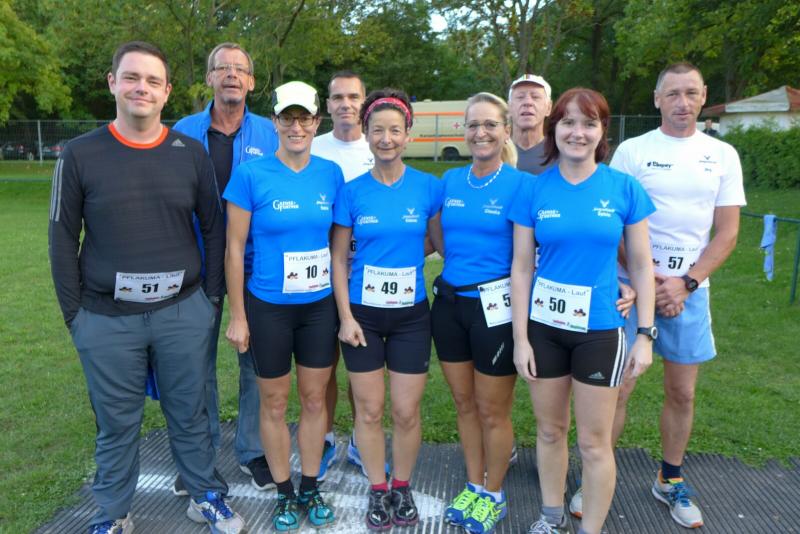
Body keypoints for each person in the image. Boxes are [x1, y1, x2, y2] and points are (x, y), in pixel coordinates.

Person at [48, 41, 245, 534]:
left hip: (183, 312)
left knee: (191, 412)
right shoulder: (80, 154)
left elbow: (214, 229)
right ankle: (113, 512)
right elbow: (61, 238)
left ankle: (205, 495)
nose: (142, 88)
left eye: (153, 81)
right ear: (112, 83)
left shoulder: (190, 153)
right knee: (116, 422)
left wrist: (210, 302)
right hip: (106, 318)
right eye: (132, 77)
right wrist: (76, 317)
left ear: (167, 91)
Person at [569, 63, 745, 529]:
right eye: (672, 94)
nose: (682, 103)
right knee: (617, 389)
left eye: (690, 93)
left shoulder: (722, 154)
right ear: (657, 99)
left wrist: (685, 283)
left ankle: (670, 479)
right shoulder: (633, 151)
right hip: (630, 289)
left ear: (703, 96)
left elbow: (727, 233)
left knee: (681, 392)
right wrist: (644, 279)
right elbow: (611, 219)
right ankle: (595, 478)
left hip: (689, 291)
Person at [509, 88, 656, 534]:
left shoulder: (623, 188)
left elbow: (642, 265)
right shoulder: (534, 189)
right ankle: (550, 517)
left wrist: (645, 335)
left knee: (594, 443)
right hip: (545, 331)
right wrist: (520, 339)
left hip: (600, 332)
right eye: (568, 122)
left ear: (601, 131)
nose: (578, 132)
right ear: (554, 129)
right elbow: (521, 267)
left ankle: (590, 528)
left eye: (589, 123)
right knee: (550, 431)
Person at [223, 80, 341, 531]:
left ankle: (310, 485)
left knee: (313, 399)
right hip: (268, 306)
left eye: (304, 118)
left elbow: (339, 246)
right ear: (274, 122)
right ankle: (284, 492)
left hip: (318, 308)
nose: (296, 127)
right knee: (273, 403)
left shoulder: (330, 174)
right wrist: (238, 316)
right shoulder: (250, 175)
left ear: (317, 122)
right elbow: (235, 249)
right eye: (287, 118)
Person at [330, 88, 442, 531]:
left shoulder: (428, 187)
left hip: (411, 317)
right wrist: (345, 317)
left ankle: (402, 484)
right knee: (370, 410)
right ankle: (378, 488)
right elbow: (338, 257)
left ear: (407, 135)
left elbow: (442, 244)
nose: (386, 139)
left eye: (395, 130)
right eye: (378, 130)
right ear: (367, 134)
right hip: (363, 316)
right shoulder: (352, 192)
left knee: (406, 412)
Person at [173, 41, 279, 493]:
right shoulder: (182, 132)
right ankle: (200, 458)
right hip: (194, 267)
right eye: (223, 67)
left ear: (251, 82)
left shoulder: (271, 134)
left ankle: (253, 451)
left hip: (256, 268)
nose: (232, 74)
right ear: (210, 78)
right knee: (196, 367)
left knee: (255, 364)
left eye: (240, 68)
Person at [427, 92, 523, 533]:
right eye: (473, 125)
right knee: (464, 404)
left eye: (489, 124)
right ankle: (473, 484)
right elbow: (436, 235)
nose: (480, 133)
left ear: (506, 130)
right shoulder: (449, 180)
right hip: (450, 306)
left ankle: (494, 492)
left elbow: (542, 248)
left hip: (495, 310)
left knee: (492, 410)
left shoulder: (521, 185)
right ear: (462, 130)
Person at [310, 70, 375, 480]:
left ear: (364, 102)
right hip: (320, 274)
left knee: (362, 367)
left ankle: (361, 441)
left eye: (353, 96)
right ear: (328, 105)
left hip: (366, 276)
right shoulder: (313, 147)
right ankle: (325, 438)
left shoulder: (379, 145)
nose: (346, 104)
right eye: (338, 97)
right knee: (323, 366)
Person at [508, 74, 556, 175]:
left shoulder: (560, 154)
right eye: (520, 97)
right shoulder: (496, 153)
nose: (527, 102)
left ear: (548, 108)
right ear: (509, 107)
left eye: (535, 97)